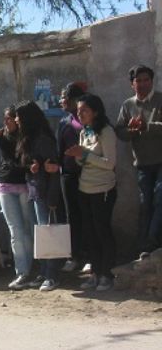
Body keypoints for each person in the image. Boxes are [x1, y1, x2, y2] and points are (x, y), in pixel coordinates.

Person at [65, 94, 118, 291]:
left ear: (95, 111)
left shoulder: (106, 131)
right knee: (89, 233)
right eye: (78, 111)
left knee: (102, 231)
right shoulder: (84, 132)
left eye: (84, 110)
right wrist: (78, 156)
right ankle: (95, 273)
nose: (80, 114)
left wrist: (85, 155)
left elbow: (109, 163)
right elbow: (82, 162)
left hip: (103, 189)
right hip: (84, 188)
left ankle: (107, 273)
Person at [114, 64, 162, 256]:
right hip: (143, 163)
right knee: (145, 203)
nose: (142, 84)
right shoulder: (128, 105)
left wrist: (146, 126)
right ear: (132, 84)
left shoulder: (160, 99)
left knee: (159, 198)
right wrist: (132, 130)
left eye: (146, 80)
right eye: (138, 81)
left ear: (151, 81)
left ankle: (150, 242)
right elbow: (120, 132)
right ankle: (145, 243)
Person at [16, 100, 63, 292]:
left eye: (19, 117)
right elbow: (25, 163)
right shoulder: (28, 138)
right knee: (40, 235)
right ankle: (44, 272)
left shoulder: (43, 139)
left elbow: (53, 169)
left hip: (44, 192)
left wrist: (52, 198)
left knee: (47, 233)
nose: (16, 120)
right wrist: (31, 167)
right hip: (35, 190)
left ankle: (52, 275)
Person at [0, 105, 33, 290]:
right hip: (6, 185)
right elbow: (10, 160)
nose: (6, 122)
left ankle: (30, 267)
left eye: (10, 118)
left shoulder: (28, 137)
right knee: (15, 231)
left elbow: (23, 159)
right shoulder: (2, 138)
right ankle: (22, 272)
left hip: (24, 186)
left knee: (27, 228)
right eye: (5, 119)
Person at [57, 82, 88, 274]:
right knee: (72, 217)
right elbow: (59, 150)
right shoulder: (64, 122)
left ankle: (91, 256)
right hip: (68, 176)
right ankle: (75, 255)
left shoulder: (88, 121)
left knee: (89, 216)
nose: (61, 101)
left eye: (64, 97)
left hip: (88, 175)